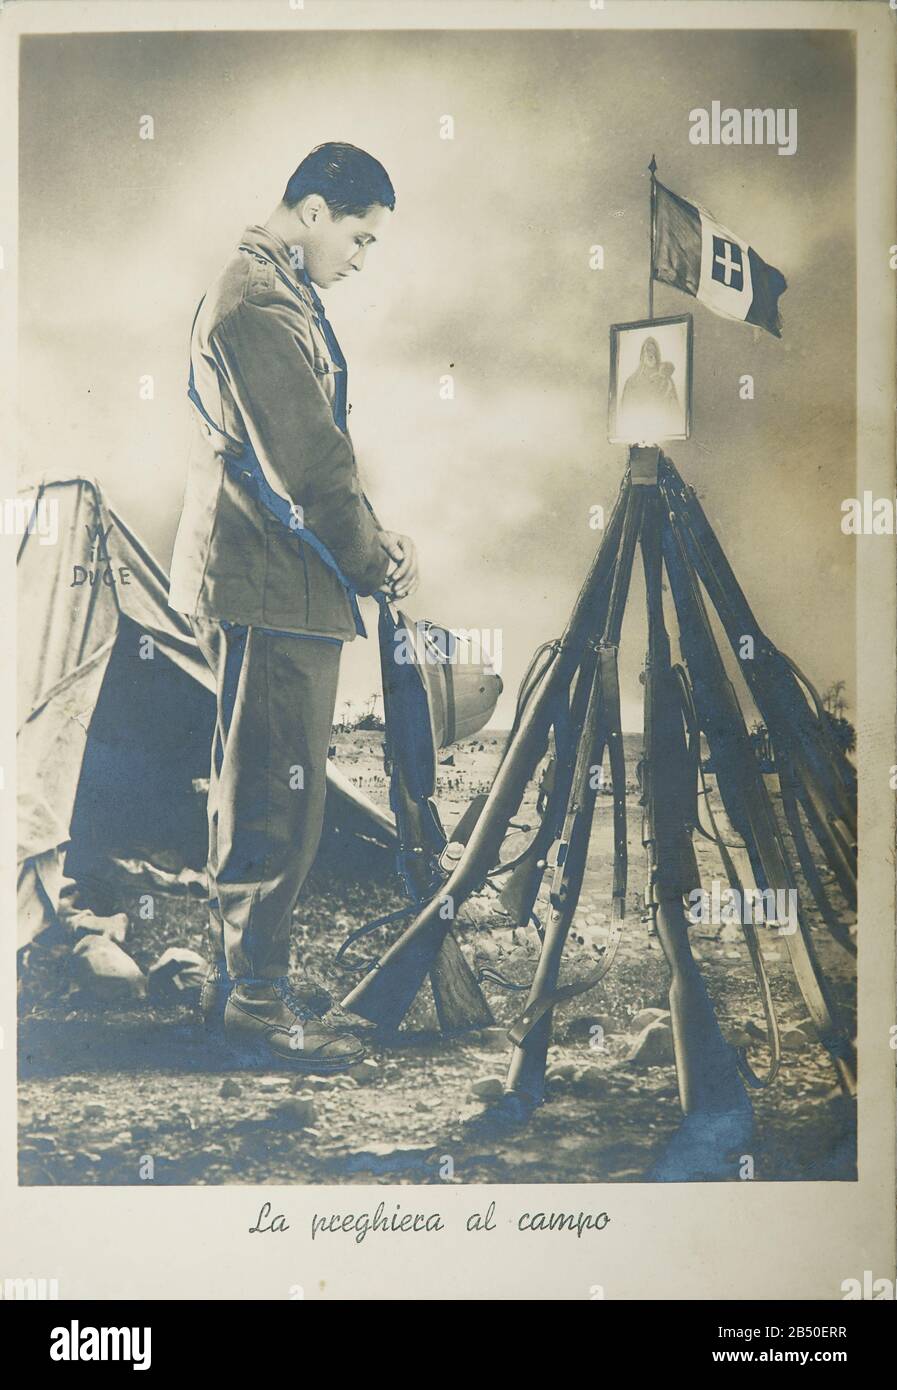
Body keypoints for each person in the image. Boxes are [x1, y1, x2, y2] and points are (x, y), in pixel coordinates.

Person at [168, 143, 419, 1070]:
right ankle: (256, 1003)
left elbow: (318, 452)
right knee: (279, 796)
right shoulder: (259, 299)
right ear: (311, 211)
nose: (361, 257)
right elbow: (306, 465)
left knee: (255, 784)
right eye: (359, 236)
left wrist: (373, 540)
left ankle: (236, 983)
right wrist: (368, 560)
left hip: (275, 577)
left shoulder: (272, 288)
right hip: (276, 584)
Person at [620, 335, 680, 442]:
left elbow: (675, 414)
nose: (650, 354)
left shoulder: (666, 381)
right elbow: (624, 415)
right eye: (647, 351)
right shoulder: (631, 382)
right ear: (642, 355)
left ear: (658, 354)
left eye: (653, 351)